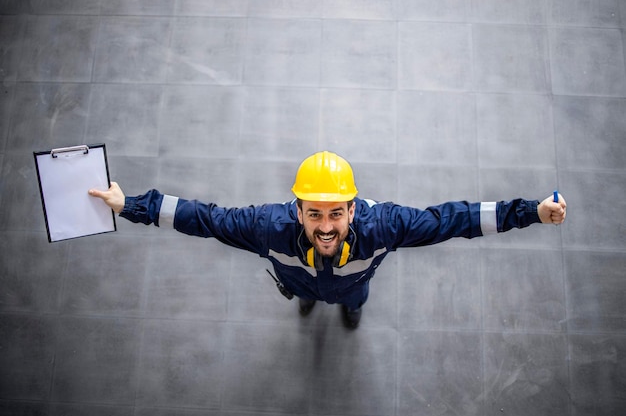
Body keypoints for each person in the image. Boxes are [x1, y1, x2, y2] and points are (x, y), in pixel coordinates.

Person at [89, 151, 567, 328]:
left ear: (352, 209)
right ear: (297, 209)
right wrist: (131, 203)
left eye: (335, 213)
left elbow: (452, 220)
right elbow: (205, 218)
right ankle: (305, 301)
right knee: (301, 294)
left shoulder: (385, 226)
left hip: (353, 284)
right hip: (298, 281)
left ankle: (352, 308)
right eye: (313, 213)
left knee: (353, 298)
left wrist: (530, 212)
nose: (324, 226)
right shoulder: (266, 226)